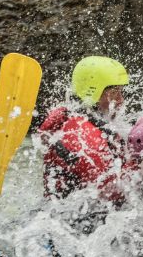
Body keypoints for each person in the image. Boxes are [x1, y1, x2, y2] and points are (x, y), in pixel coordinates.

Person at [39, 56, 130, 205]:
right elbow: (112, 196)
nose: (121, 100)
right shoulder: (85, 138)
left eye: (121, 92)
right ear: (92, 92)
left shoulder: (73, 118)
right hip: (77, 220)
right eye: (114, 93)